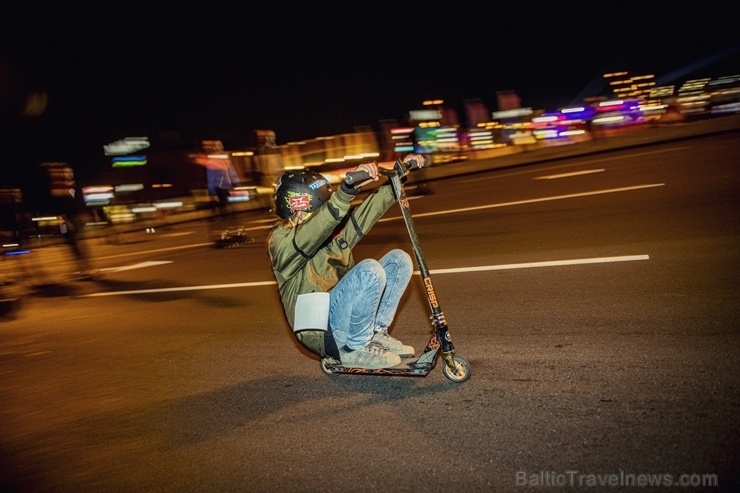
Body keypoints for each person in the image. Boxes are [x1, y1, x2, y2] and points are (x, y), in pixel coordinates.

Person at [267, 154, 429, 369]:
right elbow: (309, 235)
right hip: (319, 329)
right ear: (300, 203)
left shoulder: (331, 234)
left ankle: (375, 334)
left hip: (340, 314)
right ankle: (354, 347)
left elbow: (365, 214)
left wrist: (397, 177)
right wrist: (346, 192)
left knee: (399, 260)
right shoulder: (280, 241)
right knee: (369, 270)